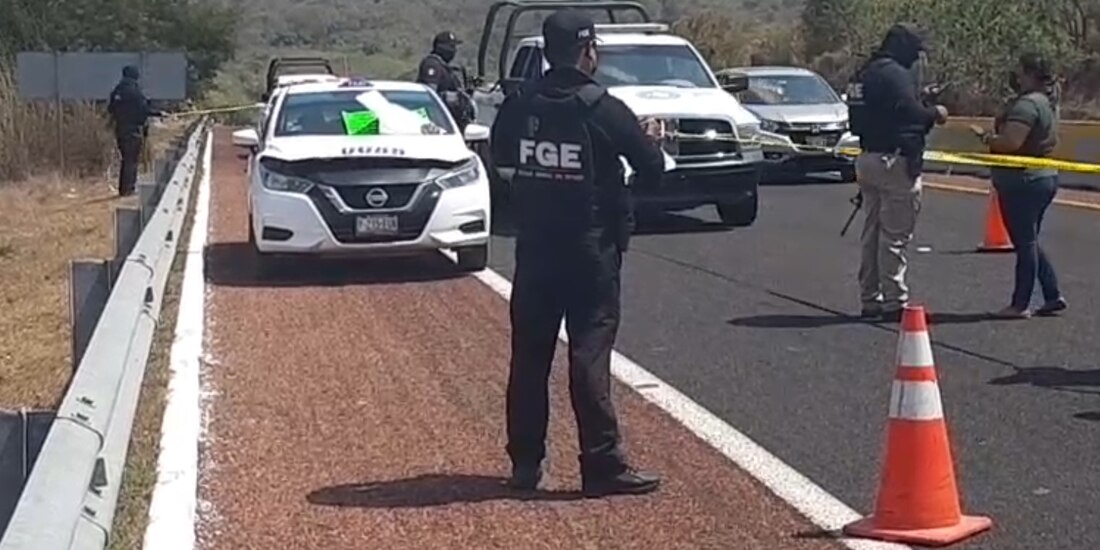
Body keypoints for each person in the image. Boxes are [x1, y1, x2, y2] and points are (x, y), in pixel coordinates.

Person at [489, 8, 666, 497]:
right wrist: (651, 140)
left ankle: (526, 465)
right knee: (589, 354)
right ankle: (602, 465)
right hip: (590, 252)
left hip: (536, 250)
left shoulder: (519, 105)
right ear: (588, 51)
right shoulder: (603, 108)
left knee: (529, 358)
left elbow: (502, 156)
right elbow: (652, 169)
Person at [848, 23, 948, 321]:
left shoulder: (862, 73)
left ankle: (870, 298)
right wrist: (935, 112)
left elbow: (870, 115)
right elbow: (911, 115)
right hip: (895, 161)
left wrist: (918, 100)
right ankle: (895, 301)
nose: (917, 60)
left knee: (872, 233)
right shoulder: (895, 74)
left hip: (868, 158)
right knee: (893, 235)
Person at [973, 52, 1066, 319]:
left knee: (1024, 243)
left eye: (1021, 72)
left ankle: (1020, 303)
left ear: (1030, 74)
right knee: (1030, 239)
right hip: (1042, 177)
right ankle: (1051, 294)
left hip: (1023, 181)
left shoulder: (1027, 105)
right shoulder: (1047, 102)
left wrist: (987, 138)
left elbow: (1011, 143)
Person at [107, 65, 164, 196]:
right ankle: (129, 189)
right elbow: (143, 110)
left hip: (120, 128)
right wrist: (158, 113)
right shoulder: (134, 91)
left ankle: (124, 188)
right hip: (133, 129)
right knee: (131, 160)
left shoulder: (117, 90)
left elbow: (111, 109)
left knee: (126, 159)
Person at [416, 31, 474, 131]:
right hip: (436, 123)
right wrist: (452, 98)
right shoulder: (432, 65)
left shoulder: (445, 67)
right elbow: (429, 95)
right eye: (451, 47)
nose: (454, 50)